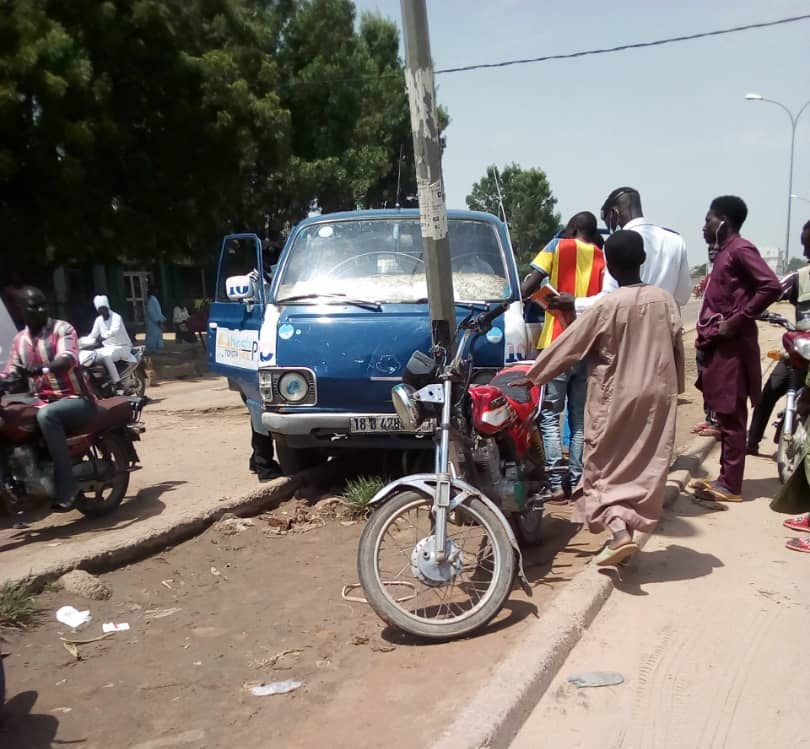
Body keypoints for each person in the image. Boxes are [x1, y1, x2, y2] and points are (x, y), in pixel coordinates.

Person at [512, 230, 683, 566]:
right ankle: (629, 530)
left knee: (603, 465)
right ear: (643, 261)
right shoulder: (665, 300)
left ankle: (619, 532)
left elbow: (570, 345)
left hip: (614, 396)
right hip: (657, 395)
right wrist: (673, 390)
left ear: (612, 269)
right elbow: (676, 347)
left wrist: (532, 377)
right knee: (644, 463)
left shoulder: (608, 305)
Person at [692, 196, 781, 502]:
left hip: (732, 346)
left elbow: (771, 286)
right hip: (718, 343)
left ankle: (731, 485)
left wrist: (737, 320)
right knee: (723, 410)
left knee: (731, 413)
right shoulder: (724, 253)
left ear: (723, 222)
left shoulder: (741, 249)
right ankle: (724, 477)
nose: (704, 227)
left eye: (708, 220)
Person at [521, 211, 606, 500]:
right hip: (586, 345)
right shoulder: (601, 255)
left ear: (571, 229)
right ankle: (577, 478)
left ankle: (556, 482)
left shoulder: (558, 246)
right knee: (579, 418)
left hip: (556, 343)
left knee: (549, 416)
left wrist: (517, 298)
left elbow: (532, 282)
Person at [1, 287, 96, 510]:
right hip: (39, 399)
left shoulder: (62, 329)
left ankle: (67, 486)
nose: (40, 309)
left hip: (75, 399)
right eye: (34, 306)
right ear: (21, 311)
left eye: (43, 304)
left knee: (47, 416)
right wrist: (4, 381)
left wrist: (42, 369)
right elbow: (11, 372)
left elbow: (67, 358)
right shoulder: (20, 340)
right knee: (10, 416)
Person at [548, 187, 691, 315]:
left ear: (614, 213)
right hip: (665, 333)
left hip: (630, 332)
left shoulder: (617, 244)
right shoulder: (676, 239)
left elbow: (610, 298)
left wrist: (574, 303)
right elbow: (683, 296)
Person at [747, 220, 810, 455]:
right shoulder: (799, 277)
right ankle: (752, 442)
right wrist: (755, 309)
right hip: (802, 348)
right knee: (771, 390)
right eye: (804, 245)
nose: (804, 252)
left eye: (808, 245)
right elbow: (773, 291)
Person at [693, 242, 721, 438]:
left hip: (715, 337)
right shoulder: (711, 275)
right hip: (703, 335)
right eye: (709, 249)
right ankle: (710, 419)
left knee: (716, 381)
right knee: (705, 380)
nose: (712, 252)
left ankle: (718, 422)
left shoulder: (726, 276)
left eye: (716, 249)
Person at [82, 295, 133, 388]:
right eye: (100, 309)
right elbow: (93, 335)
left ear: (107, 307)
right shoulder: (98, 320)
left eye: (103, 308)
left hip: (122, 347)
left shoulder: (116, 317)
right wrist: (82, 342)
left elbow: (114, 330)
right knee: (92, 356)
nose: (102, 311)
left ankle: (117, 382)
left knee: (106, 357)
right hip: (107, 348)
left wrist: (103, 337)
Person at [145, 283, 166, 352]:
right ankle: (152, 349)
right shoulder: (152, 300)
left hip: (156, 322)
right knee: (153, 336)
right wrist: (158, 321)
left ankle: (156, 349)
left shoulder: (153, 299)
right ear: (155, 291)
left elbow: (157, 312)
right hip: (153, 323)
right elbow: (152, 312)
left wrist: (161, 320)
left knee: (157, 335)